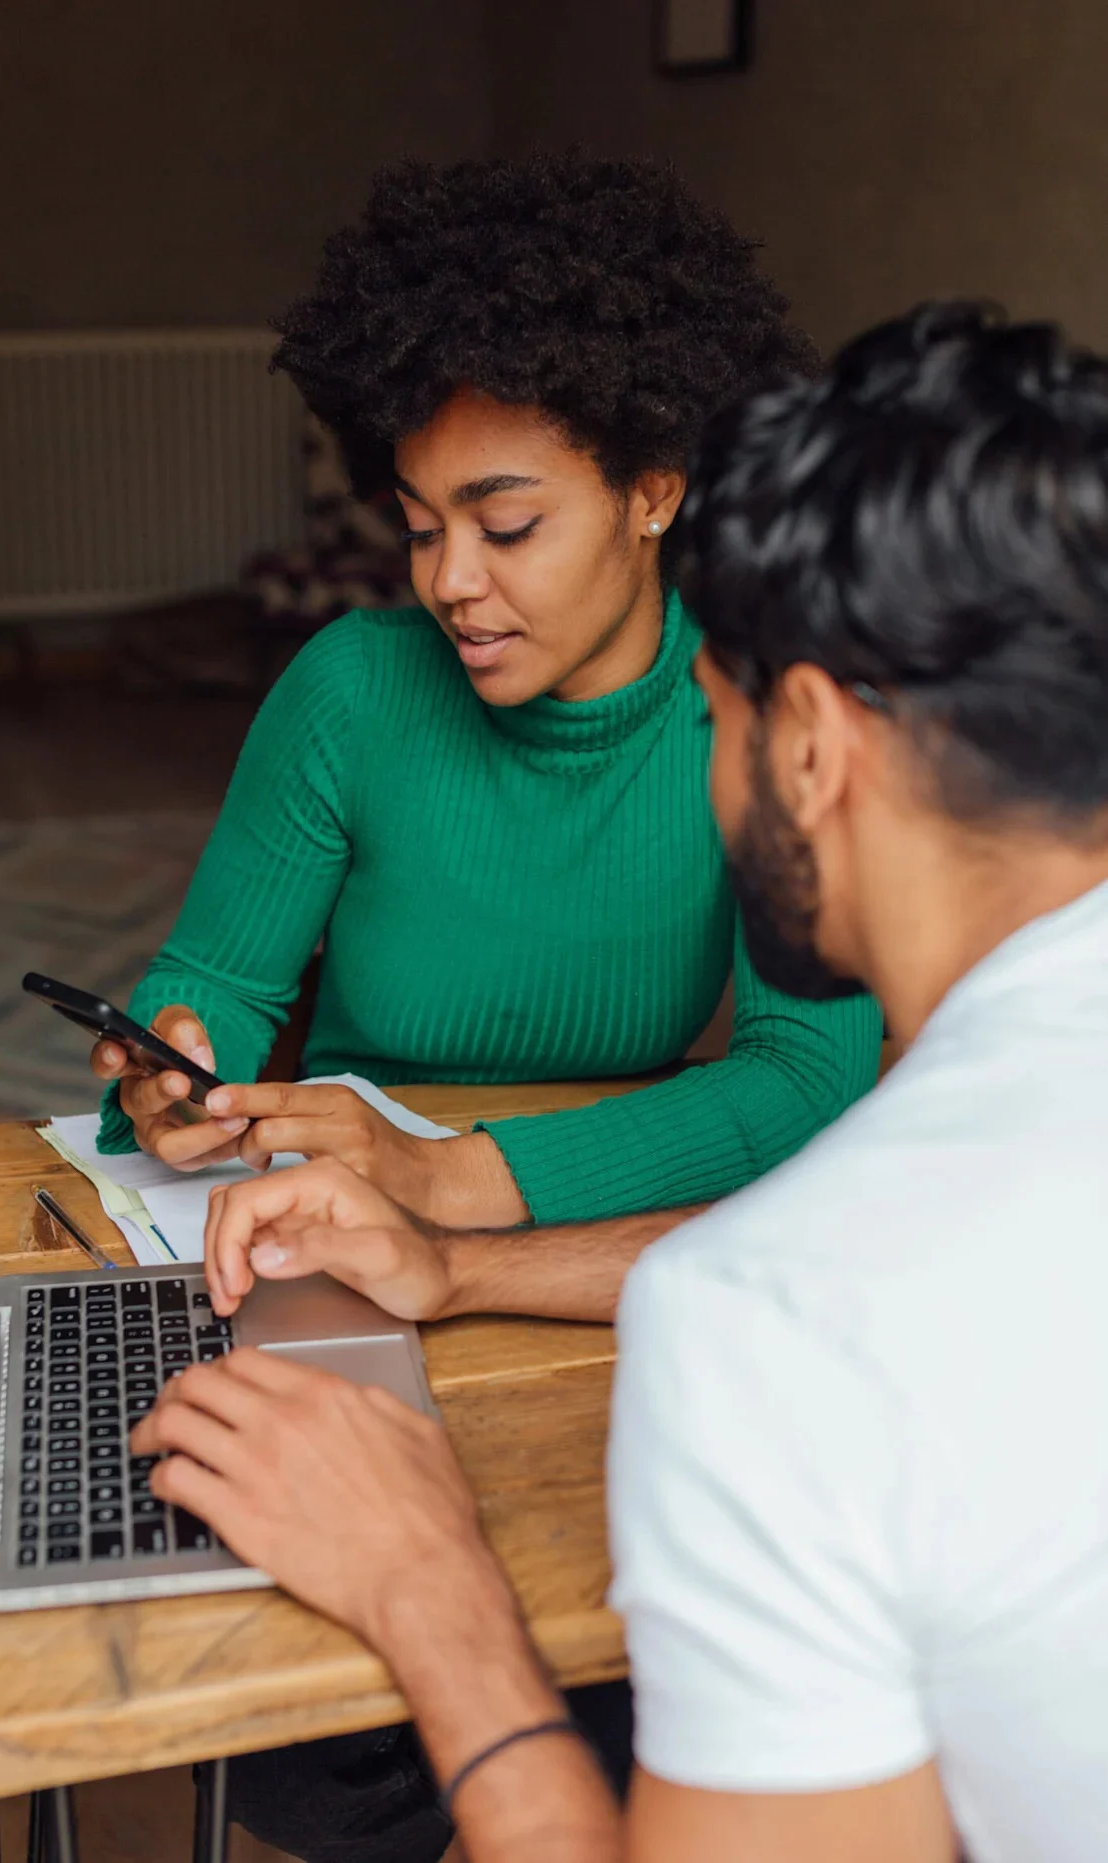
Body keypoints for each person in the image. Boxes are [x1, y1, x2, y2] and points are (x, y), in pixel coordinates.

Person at [135, 303, 1108, 1863]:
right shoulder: (844, 1264)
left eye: (713, 716)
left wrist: (424, 1579)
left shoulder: (770, 1330)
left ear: (806, 747)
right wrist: (454, 1266)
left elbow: (800, 1290)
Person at [92, 150, 881, 1234]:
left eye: (506, 527)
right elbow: (216, 982)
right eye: (420, 527)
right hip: (339, 1213)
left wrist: (455, 1178)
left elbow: (803, 1073)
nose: (448, 582)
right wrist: (173, 1065)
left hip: (599, 1214)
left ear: (651, 495)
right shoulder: (351, 689)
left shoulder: (760, 707)